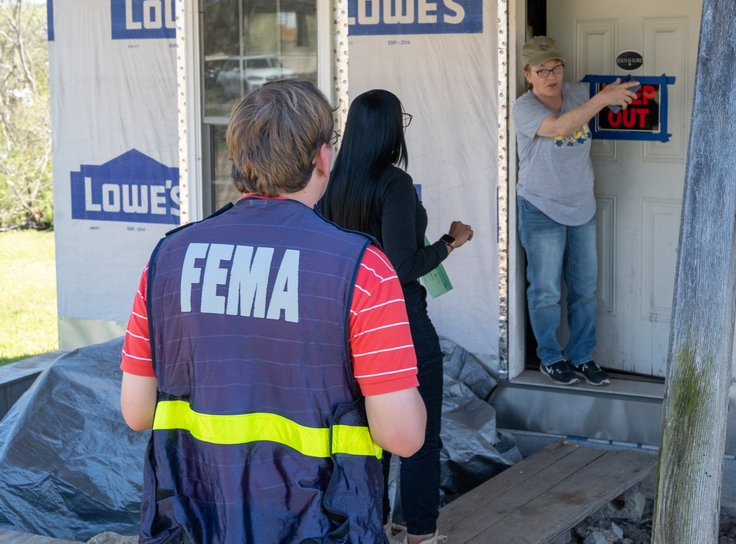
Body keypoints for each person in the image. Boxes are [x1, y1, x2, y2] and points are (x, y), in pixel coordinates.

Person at [119, 78, 427, 544]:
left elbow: (137, 412)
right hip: (323, 525)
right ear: (322, 157)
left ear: (237, 156)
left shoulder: (168, 257)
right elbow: (403, 436)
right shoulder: (362, 267)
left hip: (195, 523)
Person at [320, 89, 472, 544]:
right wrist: (449, 242)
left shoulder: (329, 180)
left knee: (371, 434)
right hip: (400, 320)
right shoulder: (393, 184)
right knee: (419, 435)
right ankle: (421, 535)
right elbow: (402, 266)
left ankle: (375, 527)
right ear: (389, 130)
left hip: (350, 322)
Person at [514, 35, 639, 386]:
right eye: (542, 70)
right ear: (528, 74)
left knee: (584, 288)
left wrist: (627, 94)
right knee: (546, 291)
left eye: (556, 67)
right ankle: (551, 358)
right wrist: (602, 99)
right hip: (540, 207)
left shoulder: (577, 94)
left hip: (582, 206)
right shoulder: (523, 108)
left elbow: (619, 103)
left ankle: (582, 355)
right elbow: (559, 127)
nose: (551, 76)